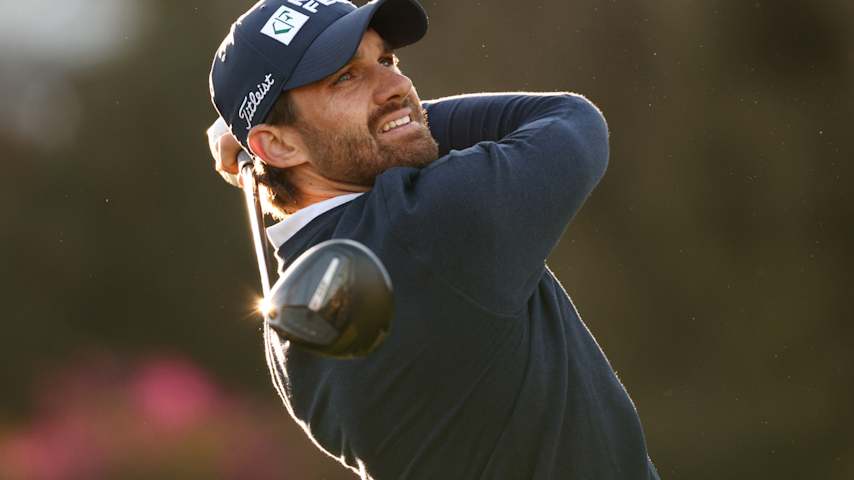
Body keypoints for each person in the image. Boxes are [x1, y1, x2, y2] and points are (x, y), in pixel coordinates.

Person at [207, 0, 660, 478]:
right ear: (276, 145)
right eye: (345, 77)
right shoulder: (433, 223)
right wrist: (398, 122)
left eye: (386, 61)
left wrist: (303, 134)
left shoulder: (287, 328)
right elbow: (571, 121)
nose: (398, 86)